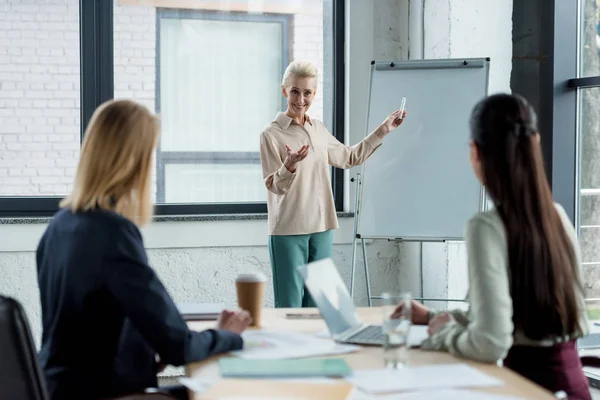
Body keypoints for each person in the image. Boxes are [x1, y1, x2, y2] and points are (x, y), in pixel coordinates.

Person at [36, 99, 252, 400]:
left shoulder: (59, 226)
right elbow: (179, 347)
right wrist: (228, 336)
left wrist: (153, 347)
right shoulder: (113, 232)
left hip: (59, 389)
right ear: (134, 162)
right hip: (104, 393)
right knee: (227, 393)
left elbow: (88, 329)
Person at [402, 94, 590, 399]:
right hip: (573, 388)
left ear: (475, 151)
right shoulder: (557, 217)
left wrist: (443, 334)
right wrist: (434, 316)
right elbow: (519, 314)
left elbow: (491, 341)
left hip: (527, 388)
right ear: (535, 144)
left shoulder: (486, 227)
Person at [259, 60, 407, 308]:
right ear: (285, 90)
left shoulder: (318, 129)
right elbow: (274, 185)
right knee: (290, 308)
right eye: (295, 91)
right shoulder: (271, 134)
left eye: (307, 92)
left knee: (320, 307)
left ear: (314, 93)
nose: (301, 99)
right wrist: (289, 165)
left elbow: (350, 157)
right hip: (288, 230)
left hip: (321, 228)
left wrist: (384, 129)